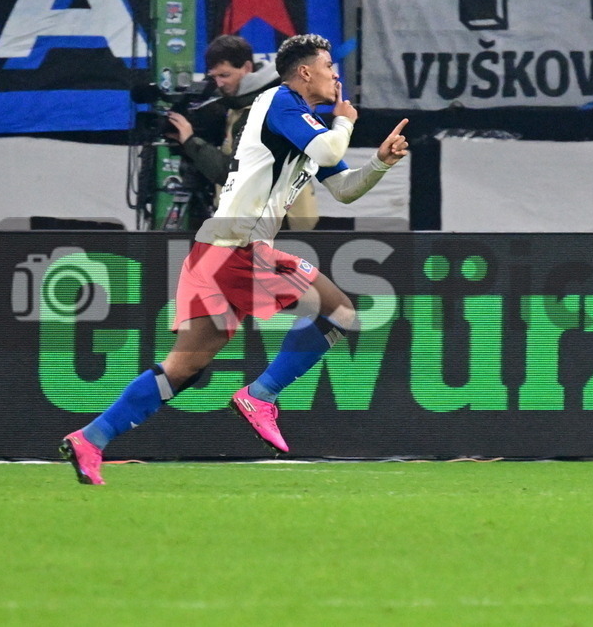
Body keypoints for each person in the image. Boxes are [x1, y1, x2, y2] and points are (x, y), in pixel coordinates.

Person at [60, 34, 409, 485]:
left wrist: (380, 162)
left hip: (217, 247)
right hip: (240, 247)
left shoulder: (297, 121)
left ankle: (91, 438)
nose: (335, 76)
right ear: (304, 72)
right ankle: (261, 395)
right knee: (340, 311)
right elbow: (329, 150)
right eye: (328, 67)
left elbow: (343, 189)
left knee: (184, 368)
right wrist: (344, 123)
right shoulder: (281, 102)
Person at [165, 34, 320, 230]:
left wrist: (190, 141)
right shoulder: (241, 104)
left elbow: (233, 174)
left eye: (225, 75)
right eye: (214, 77)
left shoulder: (265, 109)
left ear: (247, 68)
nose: (219, 84)